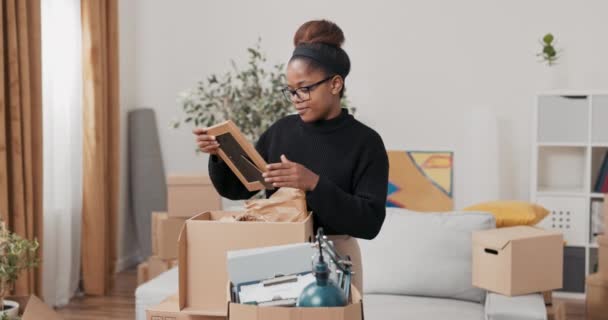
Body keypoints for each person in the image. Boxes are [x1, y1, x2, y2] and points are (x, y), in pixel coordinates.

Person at [193, 19, 389, 293]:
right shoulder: (280, 132)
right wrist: (218, 155)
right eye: (291, 90)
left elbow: (369, 223)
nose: (296, 98)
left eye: (305, 88)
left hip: (336, 263)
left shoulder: (366, 143)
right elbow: (236, 190)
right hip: (276, 257)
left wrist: (313, 184)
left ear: (335, 84)